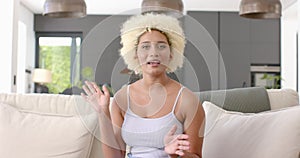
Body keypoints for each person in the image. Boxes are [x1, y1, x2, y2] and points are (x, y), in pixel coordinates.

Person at [81, 13, 205, 158]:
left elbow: (196, 156)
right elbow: (115, 156)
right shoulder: (122, 97)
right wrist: (103, 113)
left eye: (161, 46)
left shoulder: (188, 101)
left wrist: (175, 154)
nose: (154, 53)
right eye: (145, 47)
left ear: (171, 54)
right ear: (135, 54)